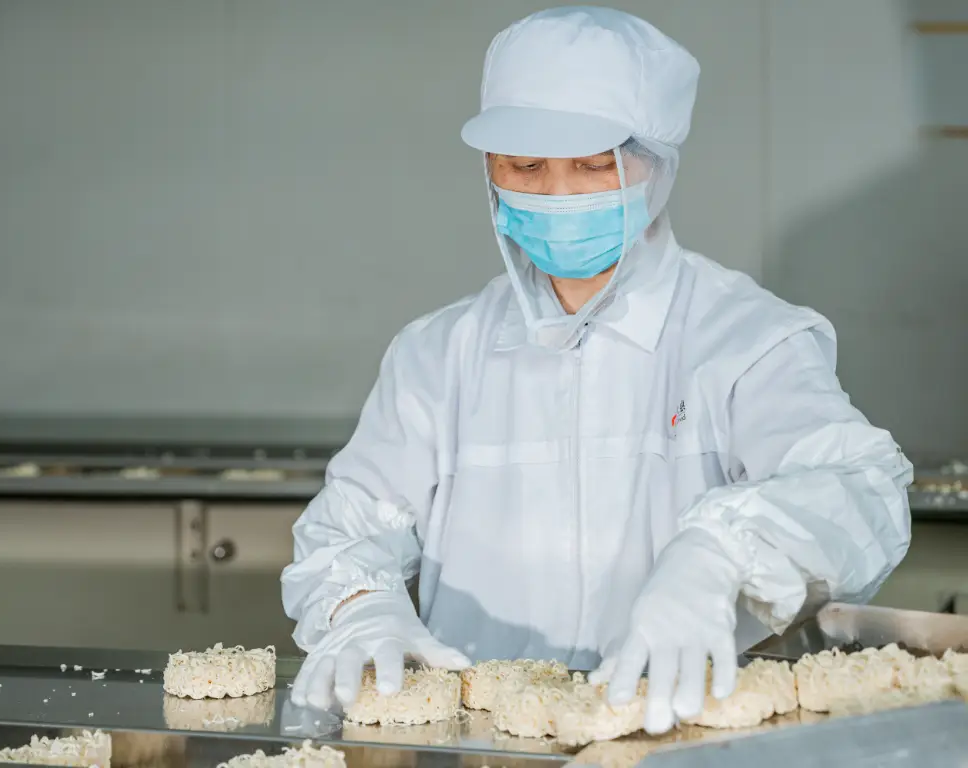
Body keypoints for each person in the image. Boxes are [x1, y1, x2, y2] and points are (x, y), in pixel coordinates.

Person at [280, 7, 912, 734]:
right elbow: (345, 527)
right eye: (526, 166)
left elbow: (861, 488)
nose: (557, 194)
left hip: (690, 738)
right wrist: (361, 606)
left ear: (658, 163)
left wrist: (718, 554)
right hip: (487, 745)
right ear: (489, 169)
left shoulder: (744, 338)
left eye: (593, 165)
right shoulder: (437, 355)